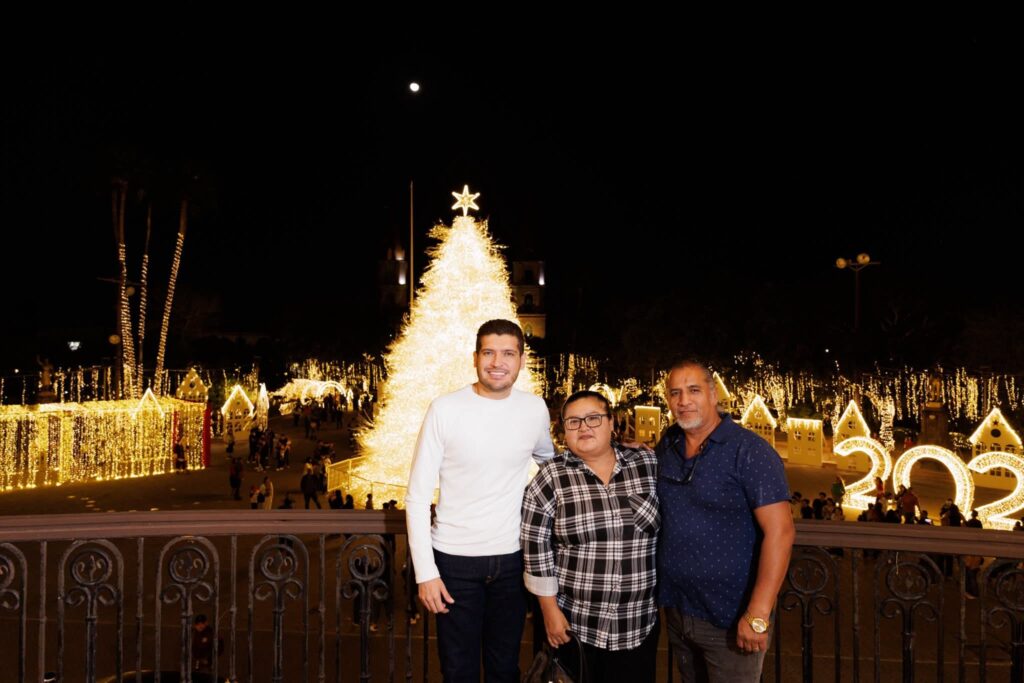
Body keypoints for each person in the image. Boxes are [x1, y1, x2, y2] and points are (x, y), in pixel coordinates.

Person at [406, 319, 554, 682]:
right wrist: (426, 573)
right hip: (453, 561)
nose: (497, 362)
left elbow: (552, 465)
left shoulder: (534, 409)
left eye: (508, 353)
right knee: (459, 671)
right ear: (475, 358)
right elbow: (417, 495)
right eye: (489, 352)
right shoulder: (444, 409)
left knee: (505, 669)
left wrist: (613, 453)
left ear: (521, 360)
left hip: (512, 560)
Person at [657, 360, 794, 682]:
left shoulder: (750, 451)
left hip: (731, 618)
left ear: (713, 394)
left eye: (693, 390)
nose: (684, 401)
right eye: (675, 393)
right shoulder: (669, 444)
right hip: (678, 610)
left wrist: (758, 614)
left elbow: (781, 532)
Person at [522, 390, 660, 682]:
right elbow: (536, 550)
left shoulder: (646, 464)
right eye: (573, 422)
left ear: (611, 423)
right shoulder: (551, 477)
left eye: (593, 418)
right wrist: (549, 611)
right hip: (575, 628)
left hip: (637, 625)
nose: (584, 427)